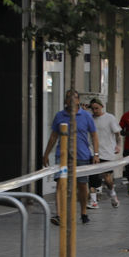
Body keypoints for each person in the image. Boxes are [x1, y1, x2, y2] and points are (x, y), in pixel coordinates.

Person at [42, 89, 100, 225]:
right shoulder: (59, 116)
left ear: (78, 100)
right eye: (68, 98)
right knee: (60, 183)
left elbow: (94, 135)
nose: (71, 100)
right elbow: (53, 136)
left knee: (82, 185)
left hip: (82, 155)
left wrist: (96, 154)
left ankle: (83, 212)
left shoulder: (86, 116)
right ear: (65, 101)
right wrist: (46, 154)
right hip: (62, 156)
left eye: (74, 98)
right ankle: (59, 215)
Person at [88, 98, 122, 208]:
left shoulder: (110, 118)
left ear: (102, 107)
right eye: (93, 109)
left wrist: (118, 146)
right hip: (93, 151)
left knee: (107, 177)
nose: (95, 111)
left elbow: (118, 134)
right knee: (92, 177)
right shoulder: (90, 118)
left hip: (107, 152)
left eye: (97, 108)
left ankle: (112, 193)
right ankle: (93, 201)